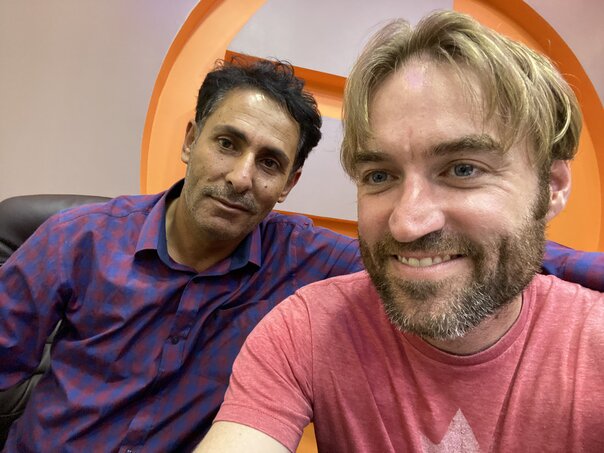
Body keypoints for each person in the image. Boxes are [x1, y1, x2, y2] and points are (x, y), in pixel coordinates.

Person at [196, 11, 604, 453]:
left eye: (463, 169)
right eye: (380, 175)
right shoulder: (306, 330)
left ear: (552, 187)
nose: (407, 224)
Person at [0, 59, 364, 452]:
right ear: (190, 140)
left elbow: (397, 267)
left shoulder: (304, 260)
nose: (241, 177)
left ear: (287, 185)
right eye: (227, 144)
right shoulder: (77, 238)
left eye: (269, 163)